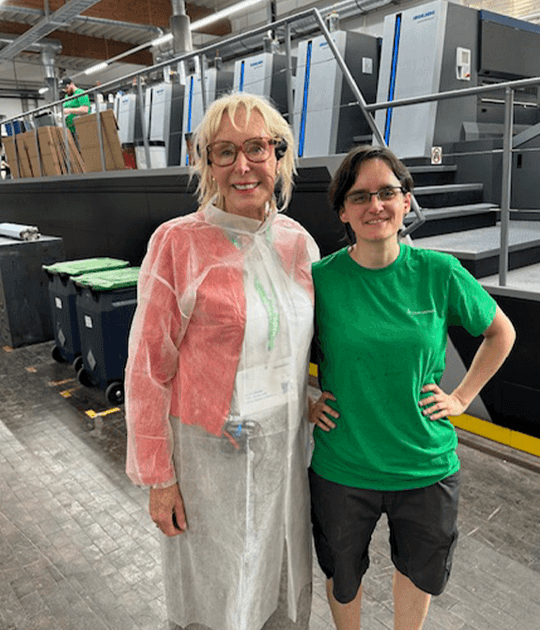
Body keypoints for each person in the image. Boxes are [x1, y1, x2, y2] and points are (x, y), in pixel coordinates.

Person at [125, 92, 317, 630]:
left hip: (285, 455)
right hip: (210, 461)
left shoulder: (297, 244)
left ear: (278, 156)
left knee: (279, 574)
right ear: (207, 164)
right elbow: (147, 369)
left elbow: (294, 346)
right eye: (224, 151)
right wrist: (159, 480)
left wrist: (316, 400)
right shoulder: (177, 244)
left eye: (256, 147)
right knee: (217, 590)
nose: (243, 165)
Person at [307, 145, 516, 630]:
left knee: (420, 570)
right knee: (342, 571)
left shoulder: (438, 273)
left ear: (406, 201)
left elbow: (500, 332)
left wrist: (461, 397)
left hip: (424, 465)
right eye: (359, 196)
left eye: (387, 192)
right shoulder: (321, 280)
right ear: (342, 210)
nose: (375, 205)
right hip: (345, 466)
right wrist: (303, 401)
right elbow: (277, 344)